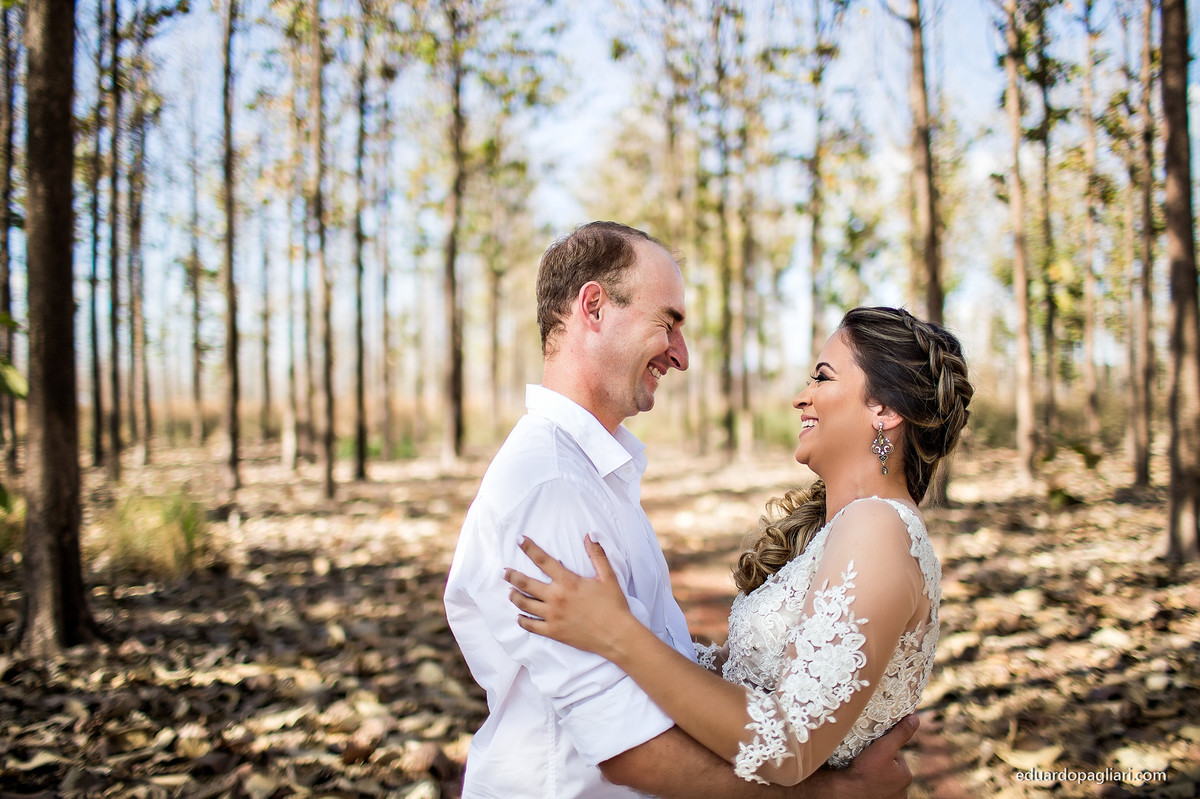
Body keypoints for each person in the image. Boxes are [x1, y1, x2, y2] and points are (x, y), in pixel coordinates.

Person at [445, 224, 919, 798]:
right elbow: (629, 750)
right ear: (594, 307)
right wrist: (836, 795)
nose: (682, 354)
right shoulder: (551, 485)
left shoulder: (594, 476)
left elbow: (653, 658)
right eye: (667, 322)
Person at [504, 305, 973, 787]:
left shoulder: (879, 528)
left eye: (822, 378)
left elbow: (789, 746)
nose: (801, 397)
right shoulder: (844, 531)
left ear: (885, 410)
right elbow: (737, 677)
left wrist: (619, 634)